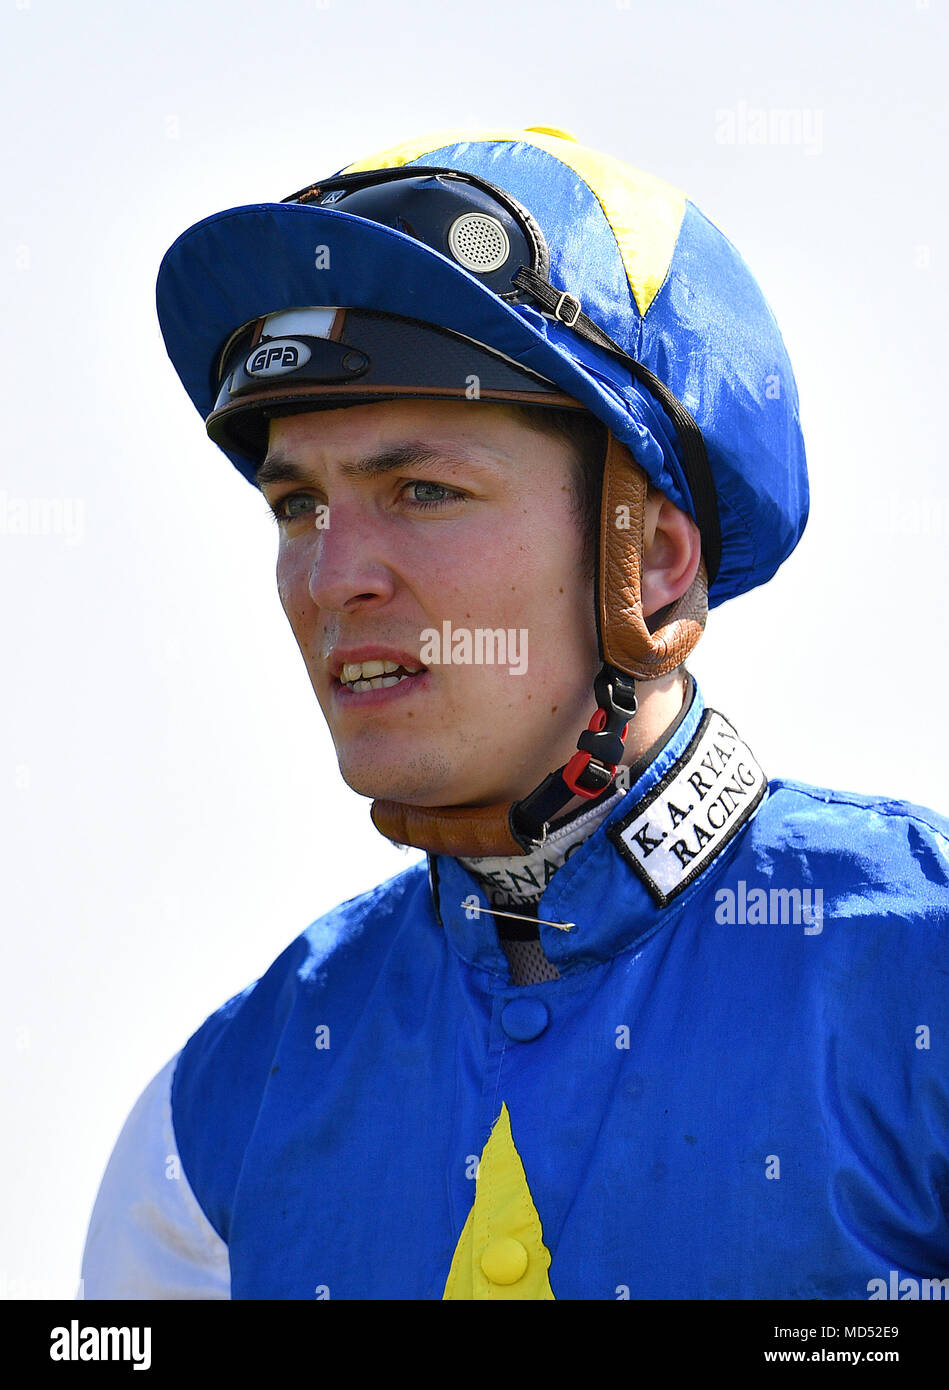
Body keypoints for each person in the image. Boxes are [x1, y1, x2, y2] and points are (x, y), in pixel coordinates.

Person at [80, 126, 949, 1301]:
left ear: (650, 561)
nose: (334, 577)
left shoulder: (917, 972)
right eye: (298, 506)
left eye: (423, 491)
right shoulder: (211, 1117)